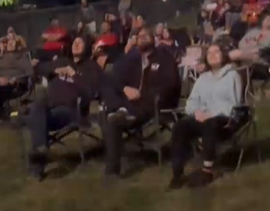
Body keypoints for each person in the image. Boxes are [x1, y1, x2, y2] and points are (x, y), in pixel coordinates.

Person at [100, 27, 181, 179]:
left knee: (112, 119)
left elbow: (171, 84)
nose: (142, 37)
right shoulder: (132, 60)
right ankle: (118, 111)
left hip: (156, 106)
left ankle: (112, 170)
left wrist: (142, 94)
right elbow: (111, 78)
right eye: (139, 35)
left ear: (154, 40)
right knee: (109, 99)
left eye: (146, 35)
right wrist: (125, 89)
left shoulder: (164, 57)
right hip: (135, 106)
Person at [168, 43, 243, 189]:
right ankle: (178, 173)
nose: (213, 55)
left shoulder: (233, 75)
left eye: (217, 51)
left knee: (210, 124)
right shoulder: (203, 79)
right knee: (180, 126)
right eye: (209, 53)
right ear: (206, 59)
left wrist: (211, 114)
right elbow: (191, 101)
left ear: (223, 55)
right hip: (202, 118)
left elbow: (235, 104)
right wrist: (196, 112)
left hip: (225, 119)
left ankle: (207, 170)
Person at [26, 36, 103, 179]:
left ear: (86, 47)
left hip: (72, 111)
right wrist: (54, 72)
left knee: (36, 120)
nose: (76, 44)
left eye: (80, 43)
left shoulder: (91, 67)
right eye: (74, 42)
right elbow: (39, 68)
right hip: (51, 110)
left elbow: (90, 93)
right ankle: (41, 149)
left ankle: (36, 167)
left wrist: (73, 74)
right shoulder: (62, 61)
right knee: (38, 106)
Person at [0, 33, 32, 120]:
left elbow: (30, 72)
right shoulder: (2, 58)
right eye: (8, 42)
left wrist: (16, 79)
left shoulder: (21, 57)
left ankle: (0, 113)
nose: (10, 43)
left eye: (13, 41)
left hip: (15, 85)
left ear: (18, 44)